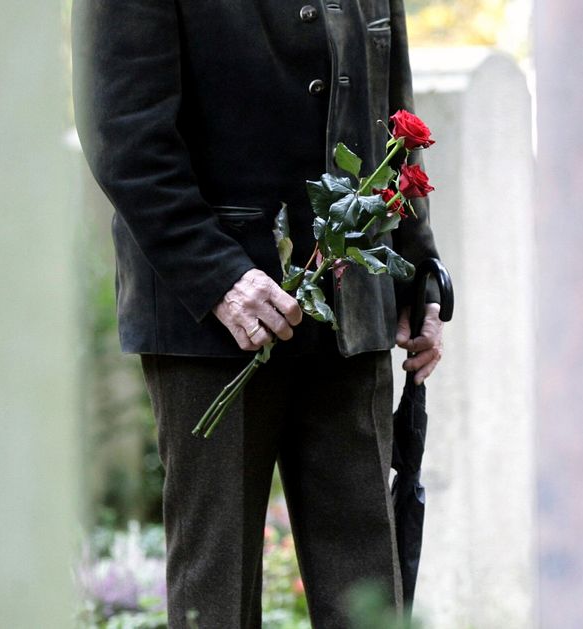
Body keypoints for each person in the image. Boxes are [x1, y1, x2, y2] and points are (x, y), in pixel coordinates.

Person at [72, 1, 444, 626]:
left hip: (352, 306)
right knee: (214, 596)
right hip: (208, 325)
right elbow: (123, 132)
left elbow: (393, 109)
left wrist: (419, 275)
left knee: (369, 594)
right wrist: (220, 277)